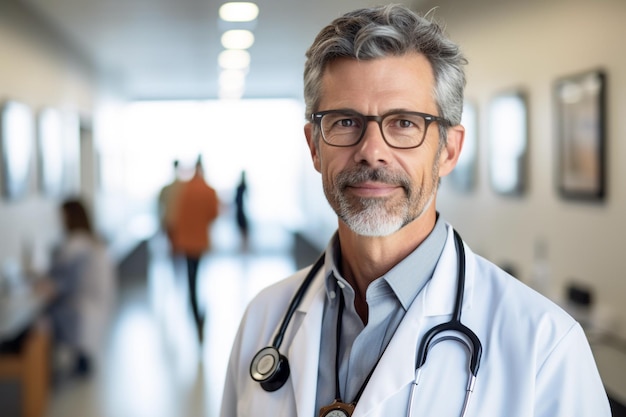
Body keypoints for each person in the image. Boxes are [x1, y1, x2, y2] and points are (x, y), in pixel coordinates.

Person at [220, 5, 610, 417]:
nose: (372, 150)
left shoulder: (545, 347)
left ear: (450, 150)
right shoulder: (264, 319)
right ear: (314, 146)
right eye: (345, 121)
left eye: (404, 123)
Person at [43, 198, 116, 378]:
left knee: (42, 322)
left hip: (84, 307)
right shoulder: (92, 241)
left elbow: (63, 279)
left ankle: (38, 374)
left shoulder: (76, 245)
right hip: (95, 304)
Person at [170, 156, 219, 343]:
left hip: (185, 241)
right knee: (196, 277)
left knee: (192, 280)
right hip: (200, 241)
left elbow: (176, 214)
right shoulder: (208, 190)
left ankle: (195, 310)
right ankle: (198, 313)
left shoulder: (185, 189)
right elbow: (213, 214)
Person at [157, 159, 184, 251]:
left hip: (176, 222)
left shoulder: (183, 187)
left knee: (177, 249)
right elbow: (160, 207)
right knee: (175, 249)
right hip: (172, 223)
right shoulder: (170, 188)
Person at [234, 170, 250, 251]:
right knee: (243, 232)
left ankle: (244, 249)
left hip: (240, 212)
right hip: (240, 212)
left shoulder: (241, 187)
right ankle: (243, 249)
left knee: (244, 232)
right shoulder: (242, 187)